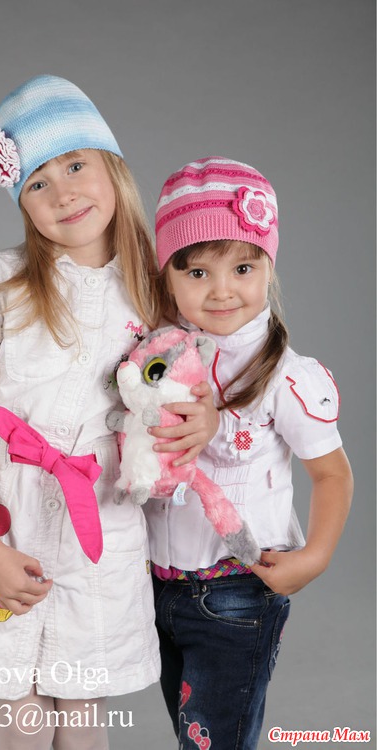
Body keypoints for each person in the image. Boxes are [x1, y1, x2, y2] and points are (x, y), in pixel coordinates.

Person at [0, 76, 215, 750]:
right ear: (21, 201)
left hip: (101, 524)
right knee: (22, 712)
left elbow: (195, 379)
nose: (63, 192)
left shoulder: (158, 292)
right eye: (37, 182)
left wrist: (206, 416)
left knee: (81, 710)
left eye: (75, 165)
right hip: (8, 518)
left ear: (113, 167)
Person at [144, 156, 353, 750]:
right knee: (191, 732)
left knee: (216, 741)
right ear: (168, 277)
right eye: (197, 272)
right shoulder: (155, 356)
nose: (222, 290)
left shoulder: (285, 377)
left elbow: (333, 474)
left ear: (268, 266)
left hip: (236, 590)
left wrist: (316, 556)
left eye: (242, 266)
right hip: (156, 585)